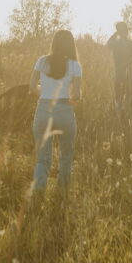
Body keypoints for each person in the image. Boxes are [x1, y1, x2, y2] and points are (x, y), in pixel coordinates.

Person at [29, 30, 82, 193]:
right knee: (66, 156)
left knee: (42, 157)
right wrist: (67, 97)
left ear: (54, 43)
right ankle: (62, 193)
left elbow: (32, 88)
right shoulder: (75, 65)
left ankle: (38, 192)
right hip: (64, 110)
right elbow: (77, 95)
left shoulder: (42, 61)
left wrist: (46, 93)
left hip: (44, 109)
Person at [106, 22, 132, 121]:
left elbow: (108, 43)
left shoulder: (115, 44)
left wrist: (116, 33)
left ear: (118, 31)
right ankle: (129, 117)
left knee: (118, 99)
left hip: (119, 76)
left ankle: (120, 119)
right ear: (127, 31)